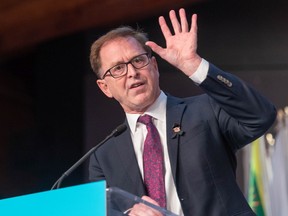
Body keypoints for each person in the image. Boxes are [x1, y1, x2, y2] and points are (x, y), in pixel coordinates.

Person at [89, 8, 276, 216]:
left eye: (138, 60)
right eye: (117, 69)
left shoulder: (206, 110)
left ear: (154, 66)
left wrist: (193, 65)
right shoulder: (103, 157)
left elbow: (261, 116)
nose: (132, 73)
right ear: (104, 87)